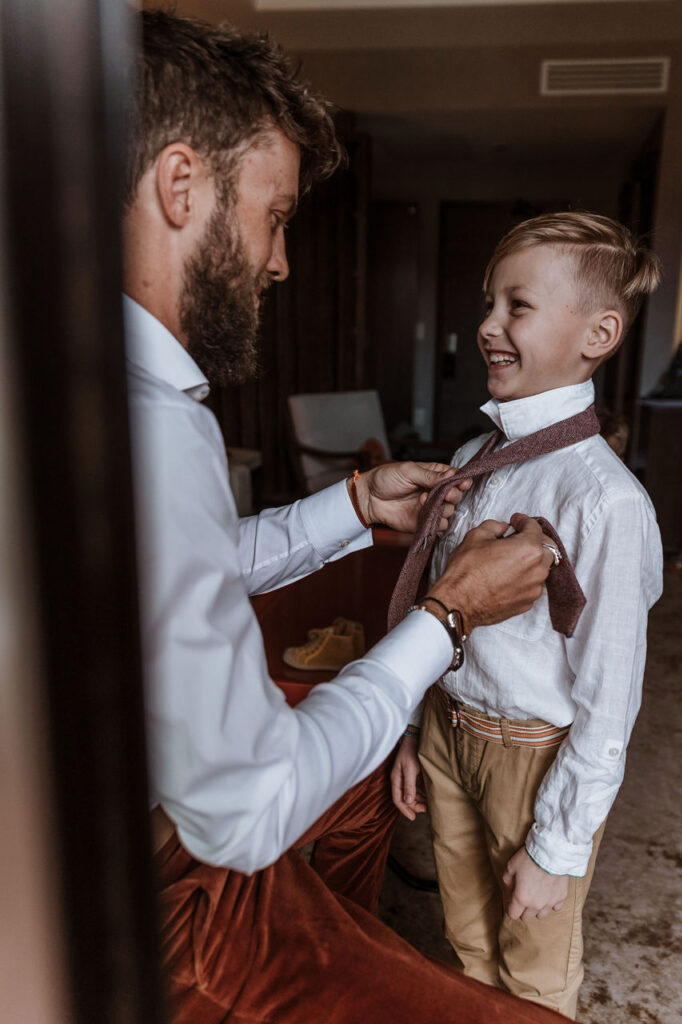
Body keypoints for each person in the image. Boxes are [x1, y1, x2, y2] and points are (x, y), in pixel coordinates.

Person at [124, 10, 567, 1024]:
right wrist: (447, 617)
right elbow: (245, 812)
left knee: (358, 784)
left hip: (172, 802)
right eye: (274, 216)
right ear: (180, 185)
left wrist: (355, 504)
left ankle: (337, 940)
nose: (280, 262)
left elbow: (182, 569)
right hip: (153, 900)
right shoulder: (147, 422)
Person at [391, 212, 664, 1019]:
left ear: (598, 333)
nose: (486, 325)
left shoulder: (605, 502)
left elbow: (609, 693)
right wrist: (415, 730)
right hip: (451, 730)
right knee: (467, 940)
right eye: (487, 302)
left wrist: (555, 844)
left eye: (517, 305)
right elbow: (440, 603)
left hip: (532, 762)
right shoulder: (477, 460)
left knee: (534, 963)